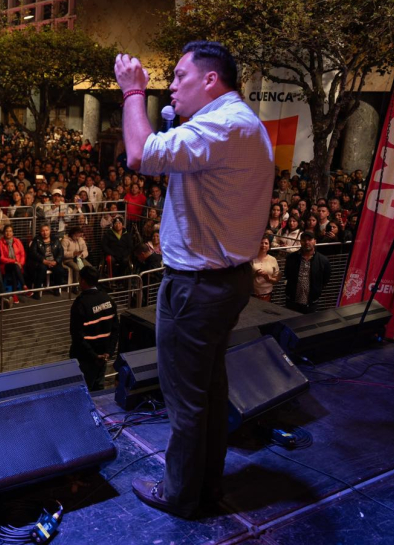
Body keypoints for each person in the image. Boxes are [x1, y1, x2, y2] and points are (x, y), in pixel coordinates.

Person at [116, 41, 273, 517]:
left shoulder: (222, 126)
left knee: (185, 399)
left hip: (197, 288)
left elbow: (139, 153)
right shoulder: (240, 122)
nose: (173, 87)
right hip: (224, 281)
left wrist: (132, 93)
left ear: (210, 80)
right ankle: (205, 486)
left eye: (180, 77)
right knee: (208, 390)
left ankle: (180, 494)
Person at [68, 265, 119, 391]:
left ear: (83, 281)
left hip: (86, 359)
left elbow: (77, 335)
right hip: (103, 356)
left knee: (82, 390)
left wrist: (94, 356)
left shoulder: (80, 303)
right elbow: (115, 329)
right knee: (98, 388)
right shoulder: (108, 299)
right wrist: (108, 352)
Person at [284, 231, 332, 314]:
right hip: (292, 301)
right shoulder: (291, 258)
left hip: (311, 302)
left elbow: (325, 279)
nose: (307, 242)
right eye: (304, 240)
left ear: (315, 241)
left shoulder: (323, 260)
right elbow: (287, 274)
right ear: (300, 242)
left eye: (309, 240)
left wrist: (317, 290)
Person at [26, 223, 66, 299]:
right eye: (43, 231)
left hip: (53, 261)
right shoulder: (36, 239)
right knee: (41, 269)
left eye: (47, 230)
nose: (45, 232)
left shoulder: (55, 239)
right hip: (41, 262)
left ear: (50, 231)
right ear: (40, 232)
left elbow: (61, 252)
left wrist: (56, 261)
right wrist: (43, 260)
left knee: (60, 270)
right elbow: (33, 253)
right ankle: (37, 292)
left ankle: (56, 289)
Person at [0, 224, 27, 304]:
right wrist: (14, 262)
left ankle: (14, 295)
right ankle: (24, 285)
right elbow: (1, 258)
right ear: (4, 233)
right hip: (5, 265)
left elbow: (22, 254)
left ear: (13, 233)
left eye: (10, 231)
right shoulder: (0, 242)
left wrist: (20, 263)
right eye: (6, 231)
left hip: (17, 265)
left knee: (14, 270)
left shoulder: (17, 241)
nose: (8, 233)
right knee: (14, 266)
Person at [251, 236, 280, 302]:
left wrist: (268, 278)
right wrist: (256, 274)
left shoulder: (273, 259)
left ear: (269, 246)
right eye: (261, 243)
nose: (263, 245)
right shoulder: (251, 258)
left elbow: (276, 278)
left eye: (266, 243)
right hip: (252, 293)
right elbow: (245, 277)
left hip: (267, 293)